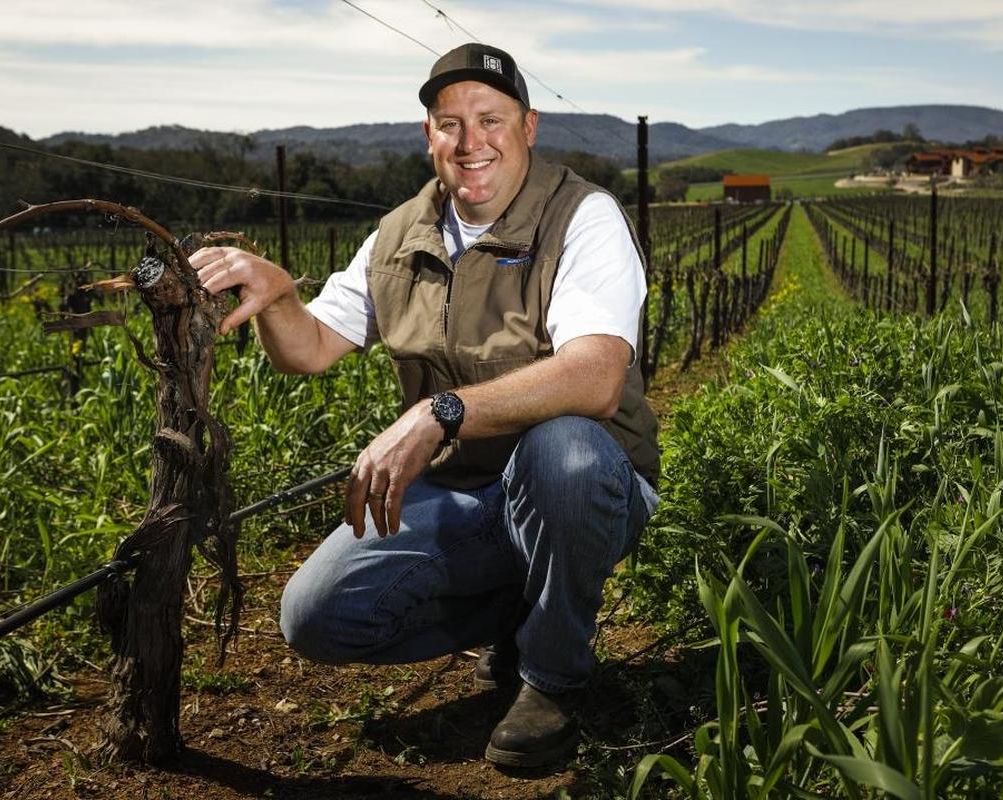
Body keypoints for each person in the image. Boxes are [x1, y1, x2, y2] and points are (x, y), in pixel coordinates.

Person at [190, 42, 660, 769]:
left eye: (490, 120)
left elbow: (595, 378)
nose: (471, 143)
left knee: (563, 450)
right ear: (428, 135)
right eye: (450, 123)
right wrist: (278, 297)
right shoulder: (399, 233)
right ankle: (525, 610)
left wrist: (437, 412)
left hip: (587, 483)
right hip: (469, 489)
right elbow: (311, 348)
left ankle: (552, 678)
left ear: (528, 127)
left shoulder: (582, 217)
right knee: (316, 617)